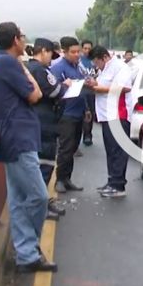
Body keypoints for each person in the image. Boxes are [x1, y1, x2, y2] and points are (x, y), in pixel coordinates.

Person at [0, 22, 56, 273]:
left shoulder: (2, 62)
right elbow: (35, 95)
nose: (25, 41)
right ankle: (29, 247)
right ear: (15, 40)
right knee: (38, 196)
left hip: (14, 138)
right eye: (22, 37)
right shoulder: (8, 63)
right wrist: (24, 67)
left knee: (17, 200)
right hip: (17, 139)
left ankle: (26, 256)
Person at [27, 38, 71, 221]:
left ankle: (42, 203)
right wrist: (65, 86)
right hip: (44, 123)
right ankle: (39, 208)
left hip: (39, 122)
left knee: (41, 166)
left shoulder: (30, 68)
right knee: (44, 166)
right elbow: (55, 91)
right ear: (43, 51)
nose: (51, 60)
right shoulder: (39, 70)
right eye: (50, 55)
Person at [88, 45, 133, 198]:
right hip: (107, 115)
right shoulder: (105, 69)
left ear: (104, 57)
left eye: (97, 62)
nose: (96, 65)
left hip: (118, 115)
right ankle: (112, 181)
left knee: (118, 151)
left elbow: (125, 88)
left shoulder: (120, 67)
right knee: (111, 150)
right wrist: (94, 84)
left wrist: (100, 89)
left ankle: (118, 185)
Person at [50, 36, 87, 193]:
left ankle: (67, 178)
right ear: (64, 52)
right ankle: (59, 179)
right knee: (65, 148)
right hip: (66, 114)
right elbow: (53, 90)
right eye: (73, 52)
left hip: (79, 112)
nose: (77, 54)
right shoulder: (58, 68)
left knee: (73, 148)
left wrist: (87, 109)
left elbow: (83, 88)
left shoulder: (78, 67)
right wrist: (63, 85)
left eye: (78, 51)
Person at [79, 40, 96, 147]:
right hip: (81, 91)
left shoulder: (94, 61)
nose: (87, 50)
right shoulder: (79, 60)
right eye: (85, 48)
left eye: (89, 48)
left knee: (90, 114)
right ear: (82, 49)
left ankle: (88, 135)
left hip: (91, 92)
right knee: (81, 114)